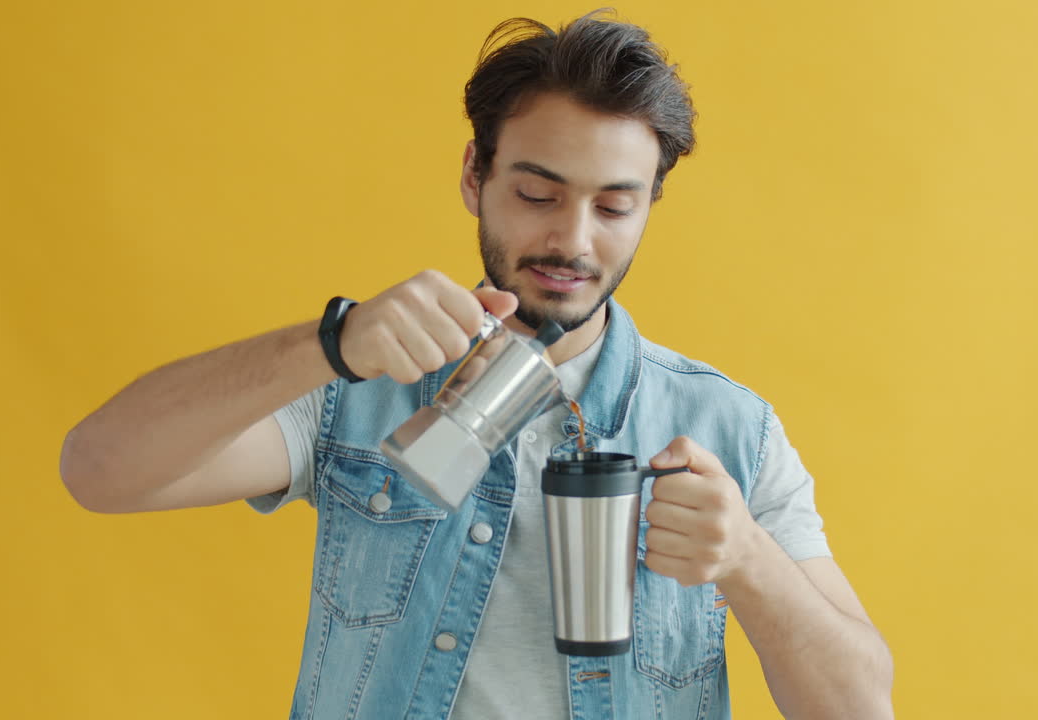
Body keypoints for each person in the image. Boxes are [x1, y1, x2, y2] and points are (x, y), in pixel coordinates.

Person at [60, 11, 894, 720]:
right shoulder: (360, 390)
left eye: (614, 205)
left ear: (650, 206)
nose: (572, 240)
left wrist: (748, 560)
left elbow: (861, 707)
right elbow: (98, 471)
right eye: (537, 194)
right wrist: (328, 343)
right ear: (474, 175)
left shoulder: (726, 429)